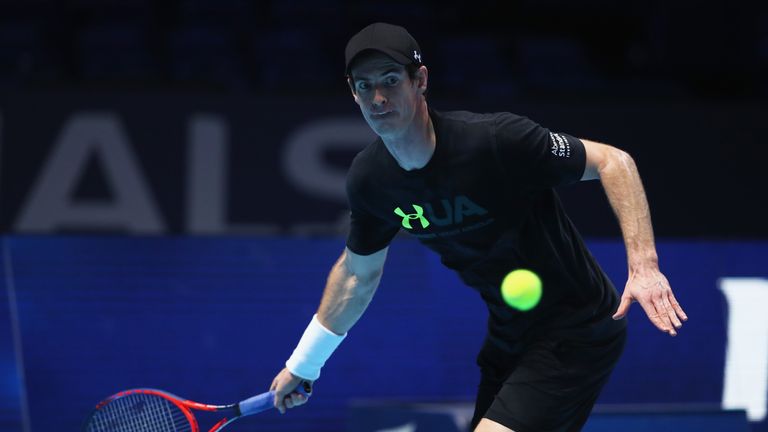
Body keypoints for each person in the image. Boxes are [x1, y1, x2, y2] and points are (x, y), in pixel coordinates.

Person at [270, 22, 688, 432]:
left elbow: (614, 162)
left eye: (391, 80)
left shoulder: (495, 141)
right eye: (364, 86)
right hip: (509, 339)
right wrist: (304, 364)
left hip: (576, 329)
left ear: (421, 81)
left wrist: (644, 267)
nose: (378, 97)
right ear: (352, 92)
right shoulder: (371, 180)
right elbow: (355, 278)